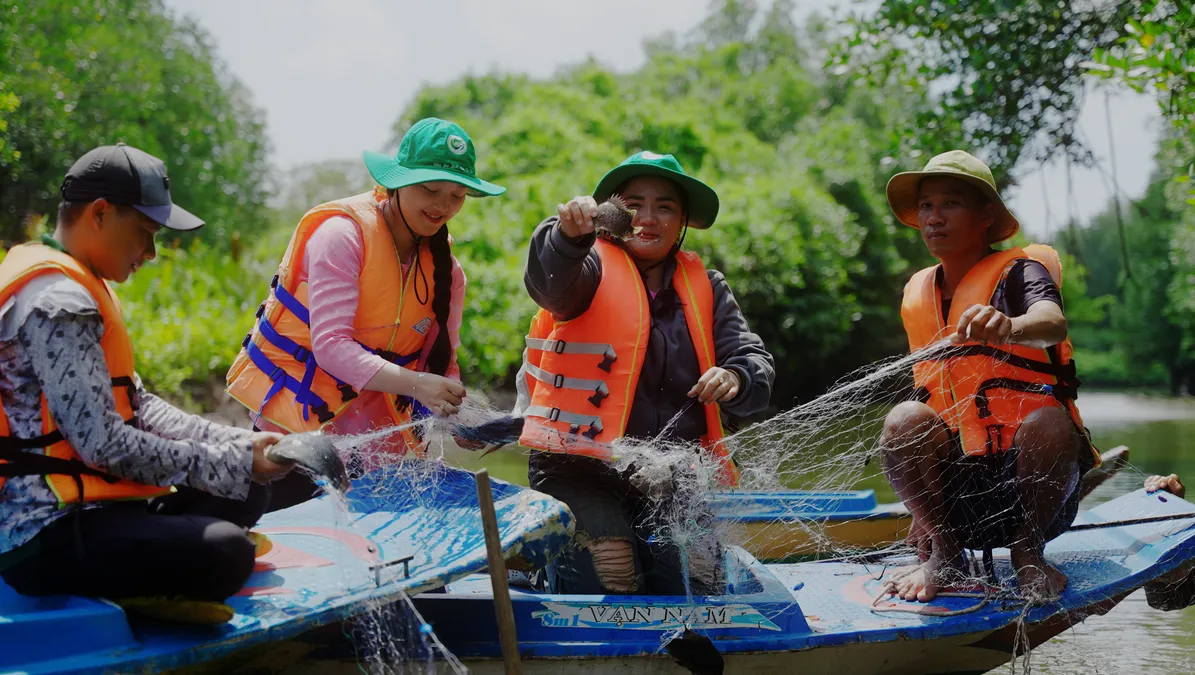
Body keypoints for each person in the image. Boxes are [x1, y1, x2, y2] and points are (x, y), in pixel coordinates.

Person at [0, 144, 292, 619]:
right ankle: (158, 579)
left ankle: (161, 559)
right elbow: (104, 445)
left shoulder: (81, 284)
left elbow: (137, 404)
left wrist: (241, 444)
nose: (151, 254)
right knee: (226, 550)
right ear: (99, 214)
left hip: (97, 504)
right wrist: (233, 460)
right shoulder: (58, 303)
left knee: (251, 484)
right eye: (144, 234)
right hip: (44, 531)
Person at [516, 151, 774, 595]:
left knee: (698, 574)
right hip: (576, 468)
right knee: (613, 564)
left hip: (672, 472)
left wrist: (736, 377)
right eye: (633, 205)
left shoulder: (708, 287)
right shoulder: (587, 267)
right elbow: (548, 281)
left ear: (682, 221)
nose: (648, 218)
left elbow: (753, 364)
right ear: (612, 216)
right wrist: (565, 237)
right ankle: (547, 572)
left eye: (665, 207)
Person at [225, 118, 505, 509]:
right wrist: (417, 384)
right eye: (430, 189)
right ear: (397, 181)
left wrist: (464, 424)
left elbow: (440, 366)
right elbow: (331, 346)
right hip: (301, 434)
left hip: (375, 448)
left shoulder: (450, 274)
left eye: (457, 196)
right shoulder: (341, 237)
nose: (443, 205)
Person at [878, 150, 1100, 602]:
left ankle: (1027, 553)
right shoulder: (919, 291)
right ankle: (945, 553)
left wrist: (1011, 327)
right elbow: (931, 391)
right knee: (903, 418)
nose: (933, 218)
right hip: (957, 502)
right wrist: (924, 514)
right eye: (925, 206)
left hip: (1033, 494)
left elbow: (1050, 321)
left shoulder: (1020, 272)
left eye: (950, 204)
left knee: (1052, 421)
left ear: (985, 217)